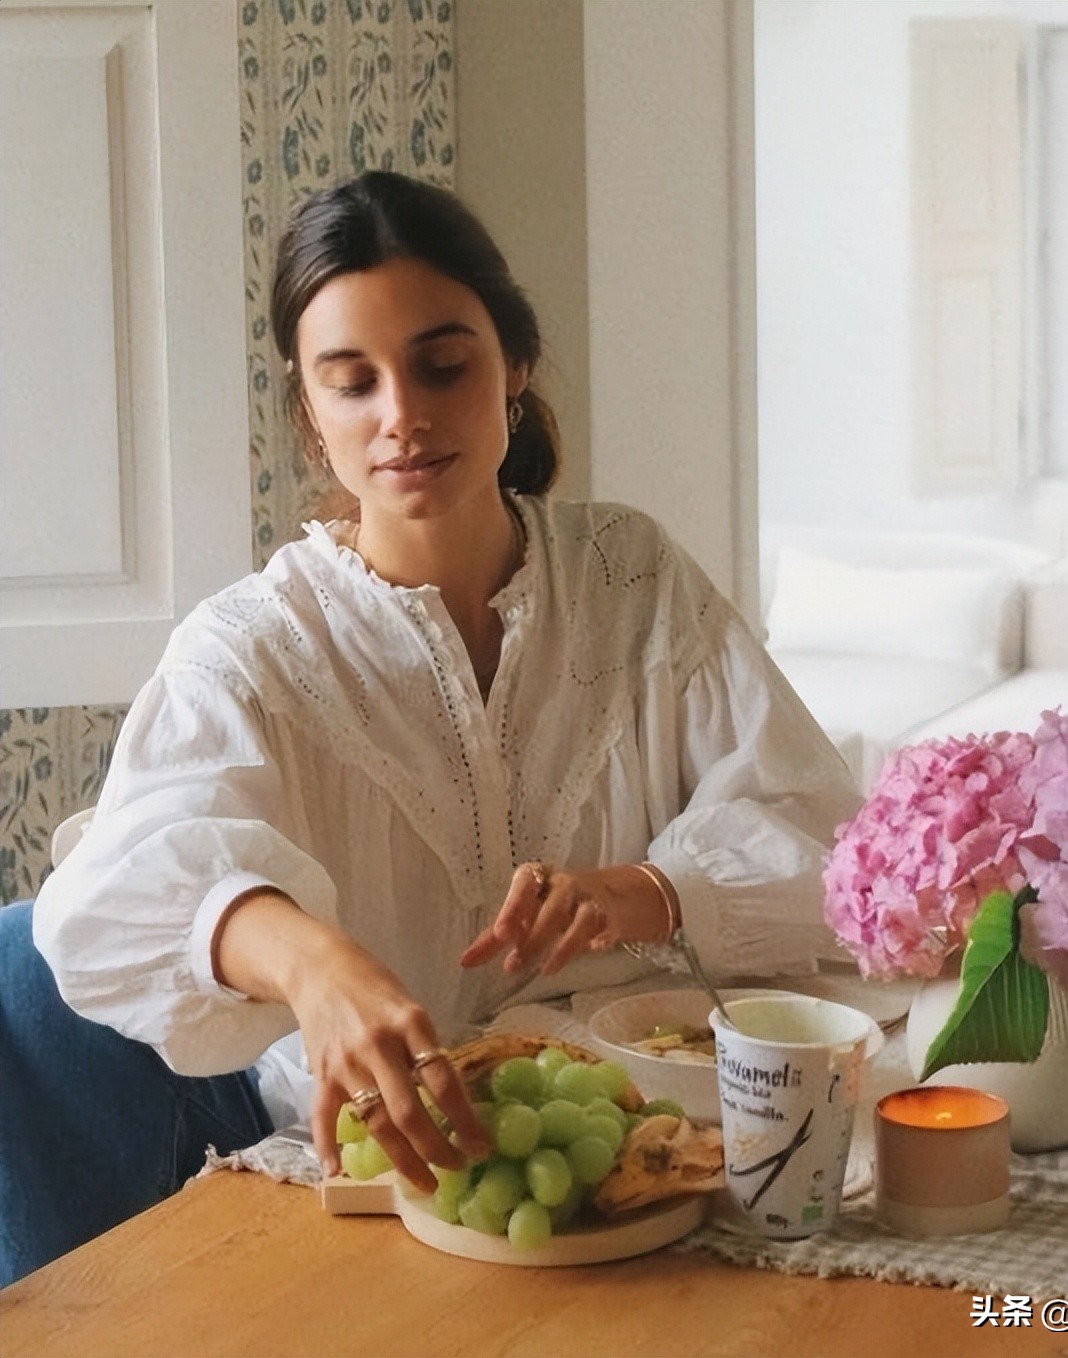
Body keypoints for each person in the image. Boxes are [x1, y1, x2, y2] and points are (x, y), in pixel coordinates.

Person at [1, 171, 858, 1286]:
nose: (400, 413)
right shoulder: (252, 647)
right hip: (360, 1181)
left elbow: (826, 838)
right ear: (311, 411)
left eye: (442, 364)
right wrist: (311, 965)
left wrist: (637, 892)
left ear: (516, 368)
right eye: (350, 382)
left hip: (633, 1158)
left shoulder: (631, 575)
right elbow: (115, 893)